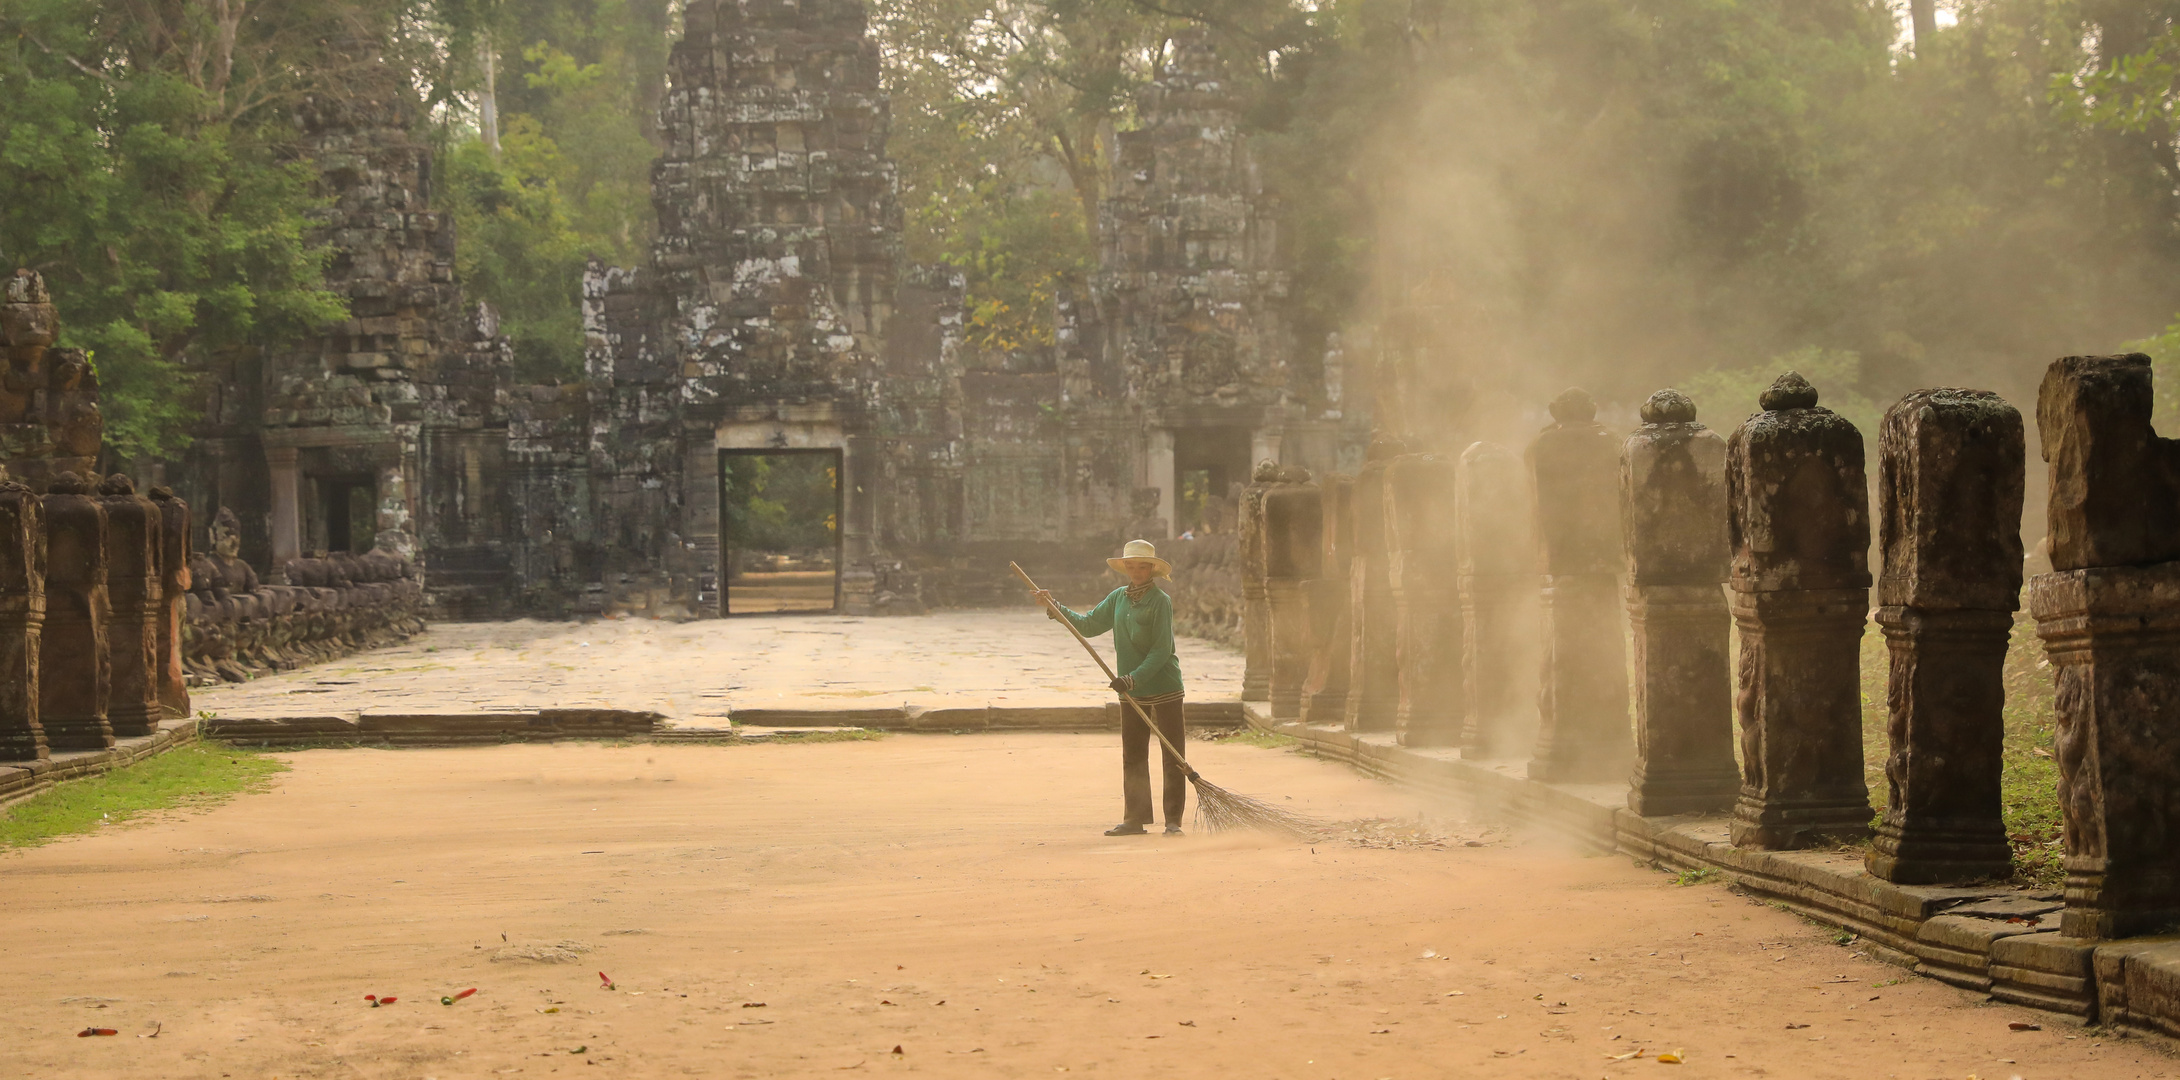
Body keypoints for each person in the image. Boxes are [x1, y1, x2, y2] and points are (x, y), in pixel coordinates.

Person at [1035, 539, 1187, 835]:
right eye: (1131, 566)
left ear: (1152, 569)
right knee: (1133, 754)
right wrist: (1054, 607)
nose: (1136, 571)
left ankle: (1173, 821)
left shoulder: (1160, 601)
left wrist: (1133, 678)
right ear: (1125, 568)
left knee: (1173, 755)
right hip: (1130, 690)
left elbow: (1161, 650)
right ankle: (1135, 818)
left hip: (1164, 685)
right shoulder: (1118, 597)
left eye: (1142, 566)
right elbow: (1089, 625)